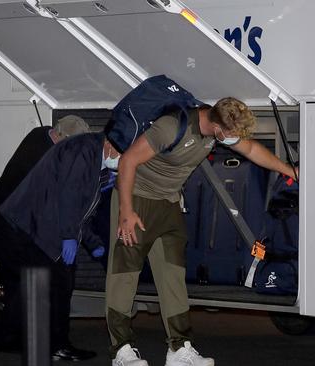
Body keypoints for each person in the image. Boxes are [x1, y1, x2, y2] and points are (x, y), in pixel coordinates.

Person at [107, 97, 296, 366]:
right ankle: (121, 350)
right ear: (217, 127)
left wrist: (290, 170)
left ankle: (179, 349)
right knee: (124, 275)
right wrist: (126, 211)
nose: (234, 140)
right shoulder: (171, 127)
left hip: (169, 202)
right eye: (231, 135)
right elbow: (127, 161)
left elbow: (252, 149)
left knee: (173, 276)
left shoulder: (218, 130)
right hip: (136, 199)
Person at [0, 131, 120, 362]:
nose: (120, 162)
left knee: (43, 284)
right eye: (120, 155)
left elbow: (83, 209)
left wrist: (92, 242)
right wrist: (68, 236)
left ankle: (20, 339)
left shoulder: (95, 158)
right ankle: (56, 344)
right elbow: (69, 195)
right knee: (60, 284)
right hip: (37, 224)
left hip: (42, 223)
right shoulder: (86, 150)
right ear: (111, 145)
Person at [0, 115, 93, 357]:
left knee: (21, 281)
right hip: (7, 221)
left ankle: (11, 339)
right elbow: (50, 204)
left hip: (6, 215)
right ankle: (43, 343)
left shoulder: (41, 134)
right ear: (59, 137)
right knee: (33, 278)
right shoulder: (41, 156)